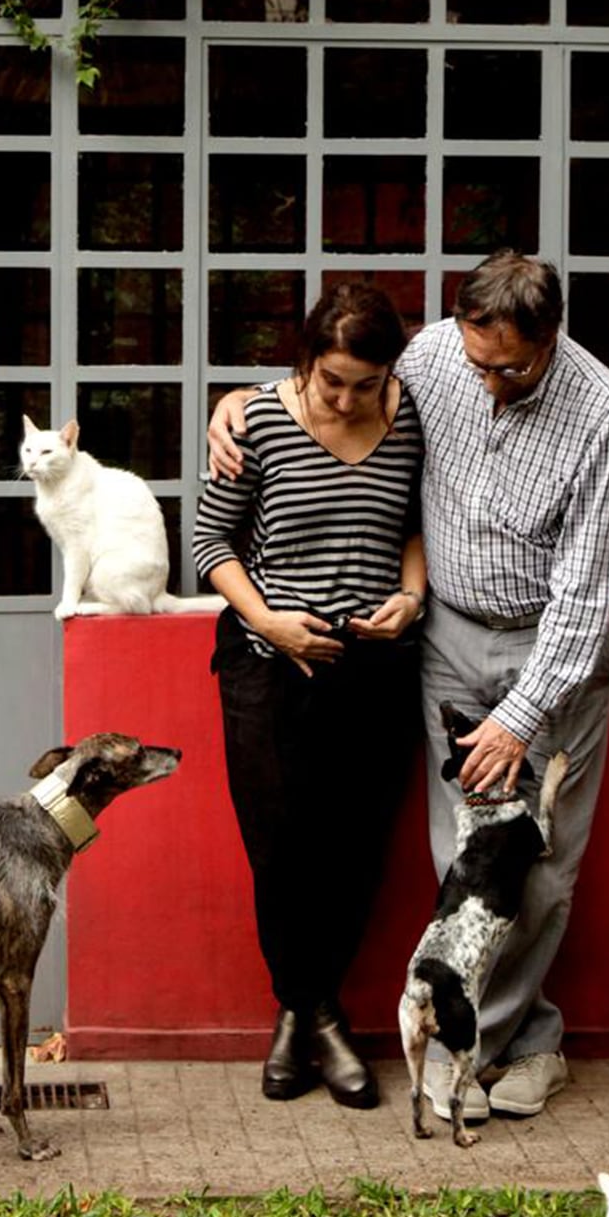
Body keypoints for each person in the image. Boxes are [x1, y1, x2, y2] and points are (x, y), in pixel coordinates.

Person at [208, 251, 609, 1125]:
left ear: (550, 338)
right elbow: (328, 374)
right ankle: (471, 1043)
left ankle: (502, 1049)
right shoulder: (434, 356)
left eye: (509, 366)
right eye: (475, 361)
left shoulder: (599, 416)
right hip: (444, 641)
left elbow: (585, 599)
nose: (486, 381)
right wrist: (235, 406)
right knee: (461, 863)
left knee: (538, 867)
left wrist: (519, 718)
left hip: (548, 651)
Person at [194, 281, 427, 1109]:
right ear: (305, 362)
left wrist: (413, 594)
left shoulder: (410, 416)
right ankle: (318, 1016)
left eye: (363, 384)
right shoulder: (255, 422)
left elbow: (411, 524)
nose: (346, 397)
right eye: (332, 379)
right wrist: (272, 623)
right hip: (267, 664)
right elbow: (208, 541)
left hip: (374, 665)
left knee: (356, 850)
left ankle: (302, 1020)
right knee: (280, 848)